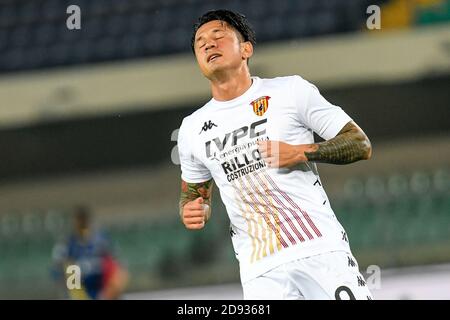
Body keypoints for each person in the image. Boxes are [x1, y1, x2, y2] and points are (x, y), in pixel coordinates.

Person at [177, 9, 373, 300]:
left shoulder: (290, 91)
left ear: (246, 49)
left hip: (319, 249)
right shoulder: (192, 129)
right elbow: (194, 193)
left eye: (218, 36)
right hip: (260, 271)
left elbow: (359, 143)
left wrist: (301, 152)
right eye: (200, 42)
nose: (208, 44)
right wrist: (192, 209)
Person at [51, 206, 128, 300]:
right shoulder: (67, 244)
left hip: (102, 288)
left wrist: (112, 288)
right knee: (71, 269)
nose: (83, 223)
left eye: (85, 219)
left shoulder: (102, 240)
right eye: (80, 219)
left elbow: (119, 265)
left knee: (116, 270)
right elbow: (57, 270)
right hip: (79, 289)